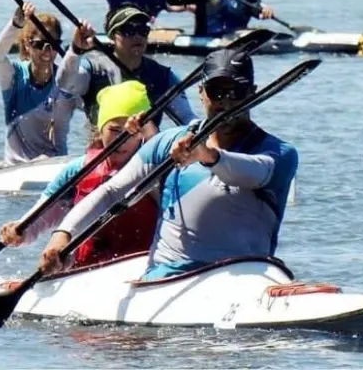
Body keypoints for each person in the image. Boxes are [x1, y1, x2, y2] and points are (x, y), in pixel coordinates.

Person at [38, 48, 298, 280]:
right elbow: (111, 192)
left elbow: (254, 171)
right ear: (201, 94)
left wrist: (207, 156)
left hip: (245, 275)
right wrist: (63, 235)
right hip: (167, 279)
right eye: (217, 92)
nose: (226, 102)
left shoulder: (279, 153)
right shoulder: (168, 143)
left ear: (253, 94)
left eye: (237, 92)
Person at [0, 81, 160, 267]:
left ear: (143, 133)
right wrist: (20, 231)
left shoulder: (159, 167)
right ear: (100, 130)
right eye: (114, 130)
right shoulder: (77, 171)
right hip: (84, 271)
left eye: (131, 132)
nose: (122, 140)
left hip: (142, 267)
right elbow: (40, 217)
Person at [56, 4, 196, 130]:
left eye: (143, 31)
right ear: (112, 37)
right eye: (128, 30)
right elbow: (65, 84)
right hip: (103, 152)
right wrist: (75, 50)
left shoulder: (163, 75)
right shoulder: (93, 69)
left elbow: (187, 118)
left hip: (146, 153)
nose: (137, 37)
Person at [0, 2, 81, 164]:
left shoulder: (66, 81)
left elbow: (97, 110)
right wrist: (16, 24)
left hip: (55, 170)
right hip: (15, 170)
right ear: (27, 45)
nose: (47, 51)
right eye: (39, 44)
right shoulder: (14, 77)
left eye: (52, 44)